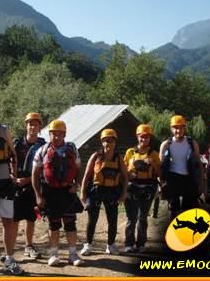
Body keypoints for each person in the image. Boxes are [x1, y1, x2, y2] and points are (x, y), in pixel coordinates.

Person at [32, 120, 84, 266]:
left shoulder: (72, 148)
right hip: (50, 192)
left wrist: (76, 184)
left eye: (60, 133)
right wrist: (38, 195)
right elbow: (35, 174)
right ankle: (54, 255)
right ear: (49, 134)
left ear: (64, 134)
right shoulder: (42, 151)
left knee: (70, 223)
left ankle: (73, 255)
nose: (57, 137)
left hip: (68, 191)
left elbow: (79, 168)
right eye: (54, 133)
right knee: (53, 224)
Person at [80, 129, 128, 256]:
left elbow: (125, 176)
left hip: (112, 191)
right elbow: (87, 175)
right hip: (96, 191)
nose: (108, 143)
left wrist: (123, 194)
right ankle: (88, 244)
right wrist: (83, 193)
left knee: (112, 220)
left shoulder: (118, 158)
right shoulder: (96, 156)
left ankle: (111, 245)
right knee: (92, 219)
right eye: (106, 141)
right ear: (102, 142)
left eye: (111, 141)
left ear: (115, 143)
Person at [11, 112, 46, 260]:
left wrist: (27, 180)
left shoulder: (43, 145)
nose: (32, 126)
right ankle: (9, 250)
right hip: (16, 185)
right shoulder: (17, 143)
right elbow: (10, 160)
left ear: (39, 127)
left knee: (31, 218)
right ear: (26, 126)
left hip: (34, 186)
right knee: (14, 219)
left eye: (36, 124)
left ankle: (28, 246)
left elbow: (45, 167)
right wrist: (12, 177)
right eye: (30, 124)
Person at [123, 124, 160, 253]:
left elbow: (160, 173)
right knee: (131, 218)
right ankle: (129, 243)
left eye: (146, 137)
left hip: (148, 187)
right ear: (137, 137)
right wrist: (129, 175)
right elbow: (123, 171)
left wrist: (153, 164)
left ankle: (141, 244)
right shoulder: (130, 152)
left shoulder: (154, 154)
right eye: (141, 137)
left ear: (150, 138)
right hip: (132, 187)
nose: (144, 139)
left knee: (142, 217)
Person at [159, 115, 202, 221]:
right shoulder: (166, 144)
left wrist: (201, 182)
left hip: (189, 178)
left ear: (185, 128)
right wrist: (160, 184)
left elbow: (198, 163)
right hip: (173, 178)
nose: (179, 130)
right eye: (176, 127)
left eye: (181, 127)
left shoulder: (192, 143)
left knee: (189, 210)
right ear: (171, 128)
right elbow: (160, 166)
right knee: (174, 211)